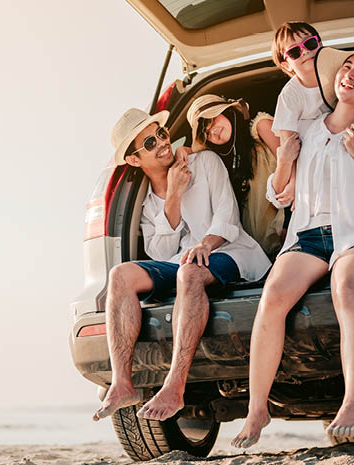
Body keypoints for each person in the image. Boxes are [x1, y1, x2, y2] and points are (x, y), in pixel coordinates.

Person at [231, 42, 354, 447]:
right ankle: (258, 407)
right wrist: (285, 161)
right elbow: (281, 196)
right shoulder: (308, 130)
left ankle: (353, 403)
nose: (350, 73)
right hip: (308, 236)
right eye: (347, 66)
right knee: (272, 298)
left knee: (345, 290)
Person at [92, 108, 271, 423]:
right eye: (150, 142)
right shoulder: (146, 202)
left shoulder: (204, 163)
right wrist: (173, 193)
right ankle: (122, 383)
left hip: (232, 252)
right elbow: (160, 251)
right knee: (120, 275)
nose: (162, 142)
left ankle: (175, 385)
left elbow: (227, 220)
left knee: (189, 270)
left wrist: (204, 245)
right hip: (184, 260)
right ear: (135, 160)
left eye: (161, 133)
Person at [269, 22, 354, 206]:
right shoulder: (290, 95)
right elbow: (289, 147)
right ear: (286, 64)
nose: (305, 52)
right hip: (307, 154)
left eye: (310, 44)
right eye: (295, 52)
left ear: (320, 44)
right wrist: (294, 183)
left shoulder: (340, 76)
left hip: (340, 146)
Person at [182, 95, 285, 257]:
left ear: (226, 111)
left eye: (212, 120)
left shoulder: (260, 127)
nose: (213, 131)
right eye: (206, 133)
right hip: (258, 249)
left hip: (288, 228)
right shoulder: (222, 157)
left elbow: (294, 167)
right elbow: (196, 153)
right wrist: (182, 150)